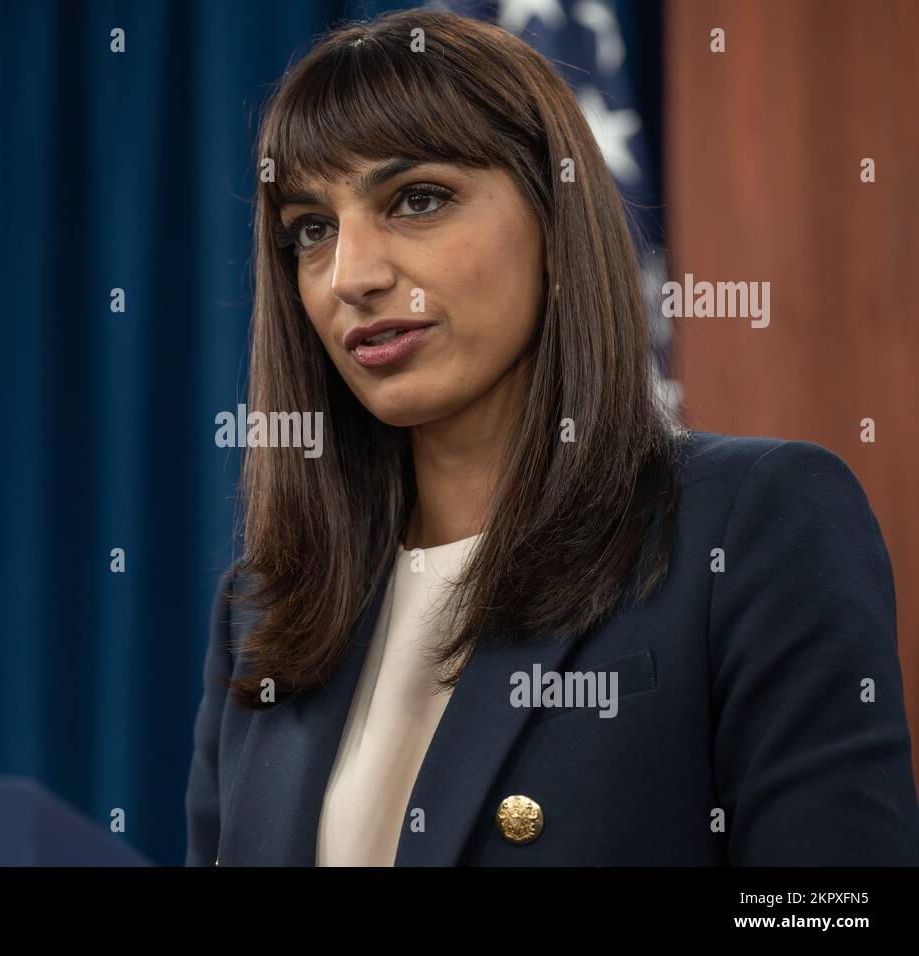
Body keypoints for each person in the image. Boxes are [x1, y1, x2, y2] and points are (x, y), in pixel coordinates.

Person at [185, 8, 919, 866]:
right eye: (312, 229)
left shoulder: (754, 522)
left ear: (554, 217)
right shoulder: (264, 608)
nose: (352, 275)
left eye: (417, 199)